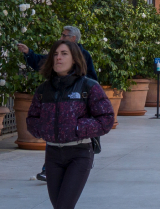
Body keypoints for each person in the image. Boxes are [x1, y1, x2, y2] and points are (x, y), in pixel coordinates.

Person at [24, 40, 114, 209]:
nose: (58, 58)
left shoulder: (88, 86)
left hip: (79, 154)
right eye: (55, 54)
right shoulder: (44, 90)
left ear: (74, 59)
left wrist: (78, 128)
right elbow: (31, 120)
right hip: (52, 155)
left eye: (64, 54)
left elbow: (106, 118)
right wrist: (45, 129)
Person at [18, 26, 99, 181]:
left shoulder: (84, 55)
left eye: (64, 35)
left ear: (74, 38)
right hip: (57, 103)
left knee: (72, 138)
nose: (61, 38)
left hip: (75, 106)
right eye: (61, 35)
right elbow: (43, 62)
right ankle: (49, 169)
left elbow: (92, 79)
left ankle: (79, 163)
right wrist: (29, 53)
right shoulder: (57, 55)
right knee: (55, 136)